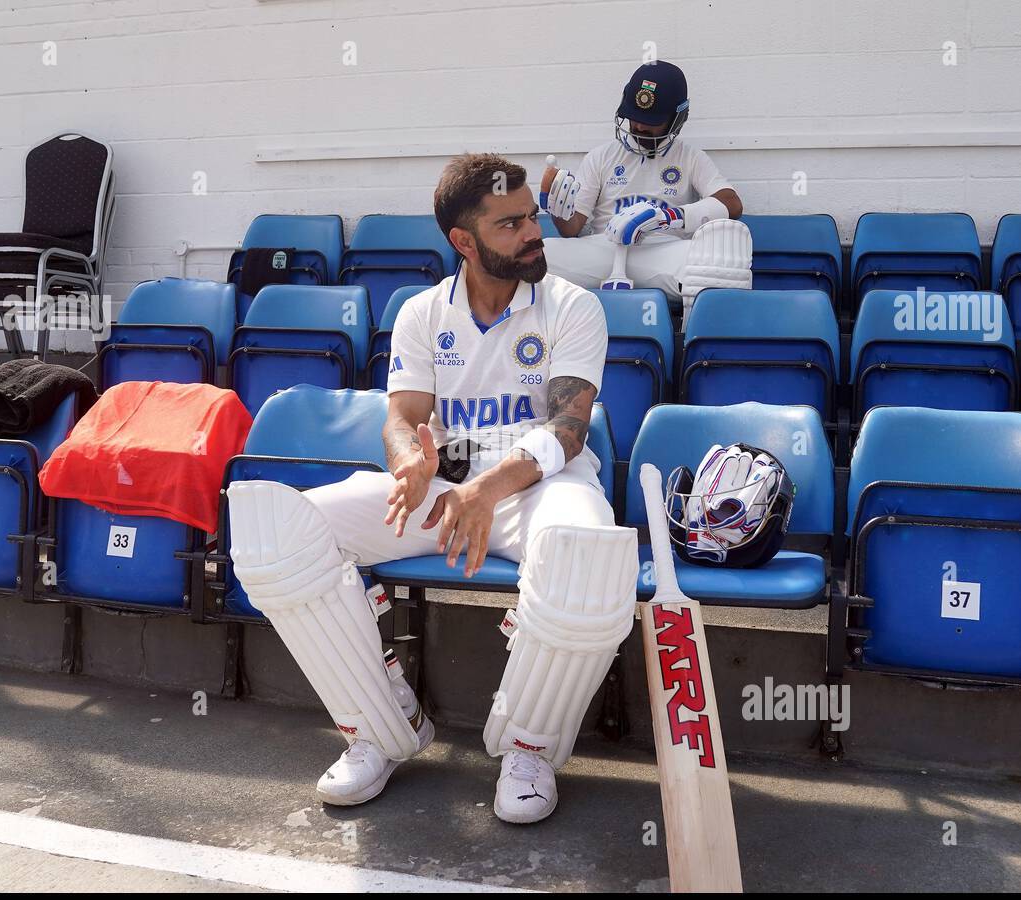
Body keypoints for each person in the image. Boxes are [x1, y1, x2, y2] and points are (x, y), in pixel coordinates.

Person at [227, 153, 639, 824]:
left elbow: (567, 430)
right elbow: (402, 418)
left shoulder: (573, 306)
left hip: (540, 483)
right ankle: (378, 727)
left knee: (588, 552)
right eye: (511, 225)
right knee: (283, 534)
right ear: (463, 242)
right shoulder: (422, 312)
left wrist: (486, 491)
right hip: (449, 479)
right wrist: (407, 466)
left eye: (533, 216)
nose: (534, 233)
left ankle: (528, 747)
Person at [540, 60, 752, 313]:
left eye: (651, 121)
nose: (639, 127)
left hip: (662, 251)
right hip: (603, 251)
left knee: (721, 263)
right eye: (634, 117)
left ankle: (690, 342)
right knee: (541, 255)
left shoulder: (689, 157)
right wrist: (558, 211)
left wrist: (669, 217)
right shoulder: (601, 156)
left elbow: (732, 203)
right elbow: (571, 229)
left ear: (677, 118)